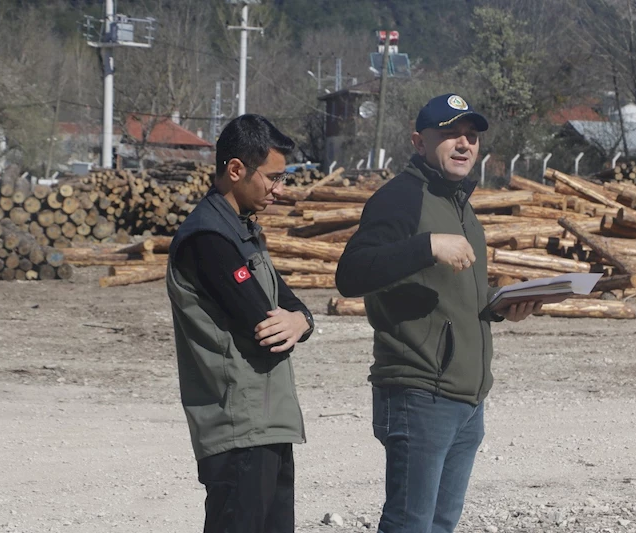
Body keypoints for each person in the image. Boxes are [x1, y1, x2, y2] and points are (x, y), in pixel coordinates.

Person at [335, 94, 543, 533]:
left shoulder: (459, 204)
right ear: (419, 142)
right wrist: (427, 245)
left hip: (466, 398)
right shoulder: (401, 198)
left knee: (439, 524)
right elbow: (351, 274)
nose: (464, 143)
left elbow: (454, 292)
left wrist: (502, 305)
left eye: (471, 136)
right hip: (419, 394)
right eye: (450, 134)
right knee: (409, 524)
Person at [167, 114, 314, 533]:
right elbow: (265, 325)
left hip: (266, 423)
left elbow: (293, 307)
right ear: (235, 169)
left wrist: (301, 320)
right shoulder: (209, 239)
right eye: (273, 177)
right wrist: (294, 322)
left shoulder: (241, 232)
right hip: (237, 426)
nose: (280, 189)